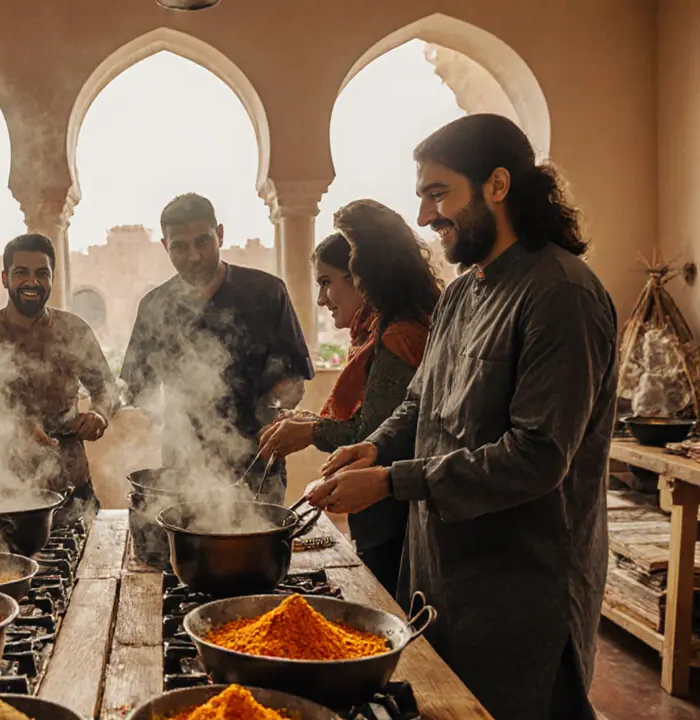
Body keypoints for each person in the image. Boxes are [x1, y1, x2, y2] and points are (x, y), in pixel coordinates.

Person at [310, 114, 616, 720]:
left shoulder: (561, 294)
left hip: (522, 592)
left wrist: (392, 481)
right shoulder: (461, 293)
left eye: (438, 193)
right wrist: (373, 448)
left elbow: (537, 457)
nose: (424, 216)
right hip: (441, 574)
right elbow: (420, 402)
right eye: (423, 196)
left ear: (497, 185)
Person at [255, 199, 441, 595]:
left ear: (360, 276)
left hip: (396, 515)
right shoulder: (381, 332)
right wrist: (308, 423)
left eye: (326, 282)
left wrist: (310, 432)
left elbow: (373, 434)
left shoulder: (396, 336)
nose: (321, 299)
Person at [121, 193, 315, 503]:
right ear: (165, 246)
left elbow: (294, 378)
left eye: (203, 241)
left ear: (220, 234)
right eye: (180, 247)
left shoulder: (267, 292)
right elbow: (138, 388)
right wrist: (177, 419)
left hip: (258, 461)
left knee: (258, 545)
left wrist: (281, 399)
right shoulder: (154, 306)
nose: (195, 256)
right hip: (183, 466)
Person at [0, 233, 115, 521]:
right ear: (4, 277)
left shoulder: (74, 330)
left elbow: (106, 388)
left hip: (71, 487)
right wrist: (10, 428)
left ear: (52, 278)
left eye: (41, 273)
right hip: (1, 491)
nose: (31, 282)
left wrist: (99, 414)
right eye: (21, 272)